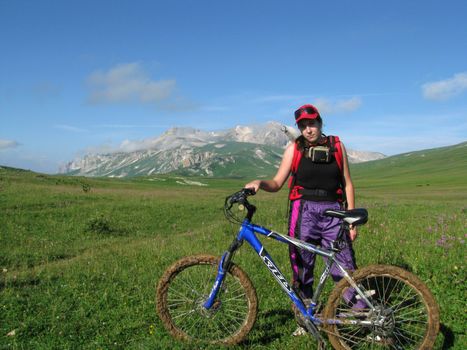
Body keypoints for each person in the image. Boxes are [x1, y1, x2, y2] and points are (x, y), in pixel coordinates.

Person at [245, 104, 358, 335]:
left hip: (334, 212)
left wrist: (351, 219)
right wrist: (260, 183)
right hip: (303, 212)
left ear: (320, 123)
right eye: (303, 126)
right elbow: (277, 183)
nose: (308, 129)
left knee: (343, 264)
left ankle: (362, 313)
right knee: (302, 265)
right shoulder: (294, 149)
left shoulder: (337, 146)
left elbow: (347, 183)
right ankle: (306, 319)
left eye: (312, 124)